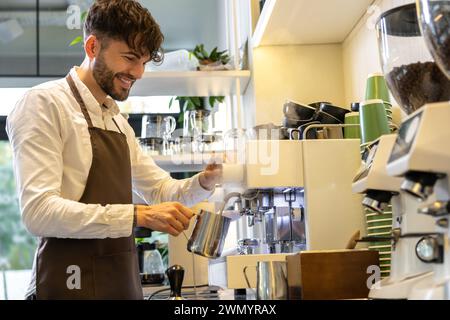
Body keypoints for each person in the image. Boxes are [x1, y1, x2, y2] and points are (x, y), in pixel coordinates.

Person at [6, 0, 221, 300]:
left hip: (121, 287)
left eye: (144, 61)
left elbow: (161, 191)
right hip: (67, 286)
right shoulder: (44, 105)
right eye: (131, 58)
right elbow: (39, 213)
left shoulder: (118, 122)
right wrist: (137, 216)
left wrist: (205, 181)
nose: (139, 72)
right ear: (93, 47)